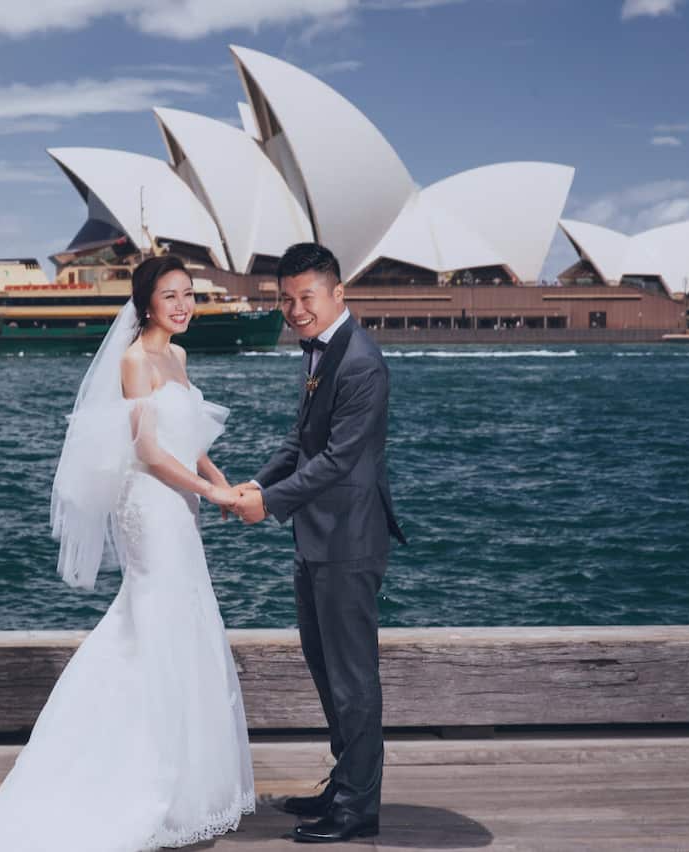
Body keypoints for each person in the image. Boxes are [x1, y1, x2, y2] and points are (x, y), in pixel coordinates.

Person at [0, 254, 254, 851]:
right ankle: (139, 772)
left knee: (184, 621)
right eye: (171, 295)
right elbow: (151, 453)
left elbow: (191, 441)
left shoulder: (179, 357)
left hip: (180, 507)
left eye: (189, 294)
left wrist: (225, 484)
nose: (183, 305)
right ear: (146, 302)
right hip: (150, 508)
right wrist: (213, 492)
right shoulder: (135, 361)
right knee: (154, 620)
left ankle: (187, 778)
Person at [232, 242, 405, 844]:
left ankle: (360, 809)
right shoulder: (322, 355)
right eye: (286, 298)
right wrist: (256, 482)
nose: (295, 309)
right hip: (317, 539)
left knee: (353, 678)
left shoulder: (361, 362)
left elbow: (336, 460)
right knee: (328, 670)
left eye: (307, 296)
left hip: (348, 541)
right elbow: (300, 440)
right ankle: (347, 781)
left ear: (338, 294)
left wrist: (269, 505)